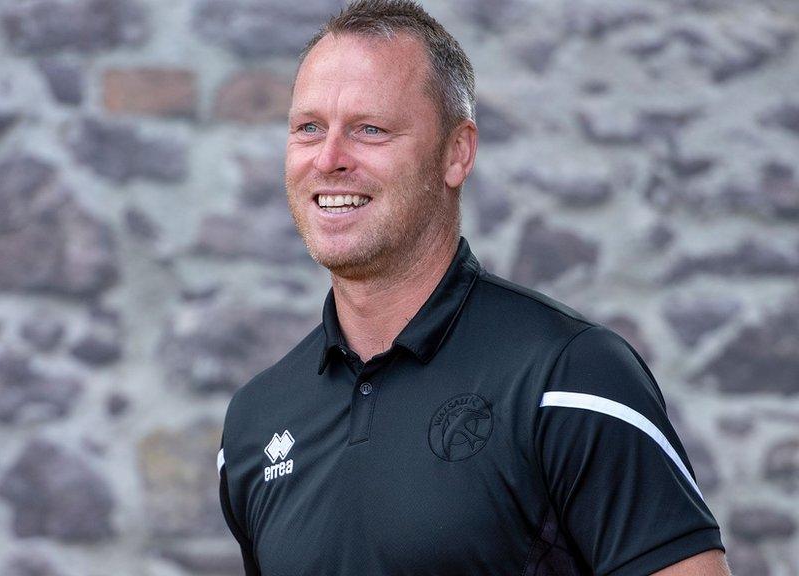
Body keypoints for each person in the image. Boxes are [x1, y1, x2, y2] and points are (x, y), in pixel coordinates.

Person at [217, 1, 731, 574]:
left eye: (370, 129)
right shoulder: (255, 423)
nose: (330, 159)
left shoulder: (568, 379)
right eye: (309, 128)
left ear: (456, 153)